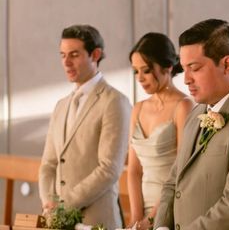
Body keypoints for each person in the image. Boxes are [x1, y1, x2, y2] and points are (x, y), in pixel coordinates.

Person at [154, 19, 229, 230]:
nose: (186, 79)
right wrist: (161, 227)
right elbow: (173, 181)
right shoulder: (197, 111)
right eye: (184, 68)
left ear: (227, 64)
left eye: (194, 68)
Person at [39, 25, 131, 229]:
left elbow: (109, 169)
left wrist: (64, 205)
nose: (66, 62)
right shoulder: (61, 105)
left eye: (74, 54)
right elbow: (48, 164)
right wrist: (48, 203)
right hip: (58, 221)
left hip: (97, 220)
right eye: (62, 55)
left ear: (95, 54)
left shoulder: (115, 101)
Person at [127, 33, 194, 229]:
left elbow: (182, 169)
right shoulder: (138, 108)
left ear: (167, 66)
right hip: (141, 209)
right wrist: (136, 219)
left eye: (146, 70)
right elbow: (134, 170)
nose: (140, 78)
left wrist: (152, 219)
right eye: (135, 71)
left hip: (171, 207)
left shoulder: (183, 106)